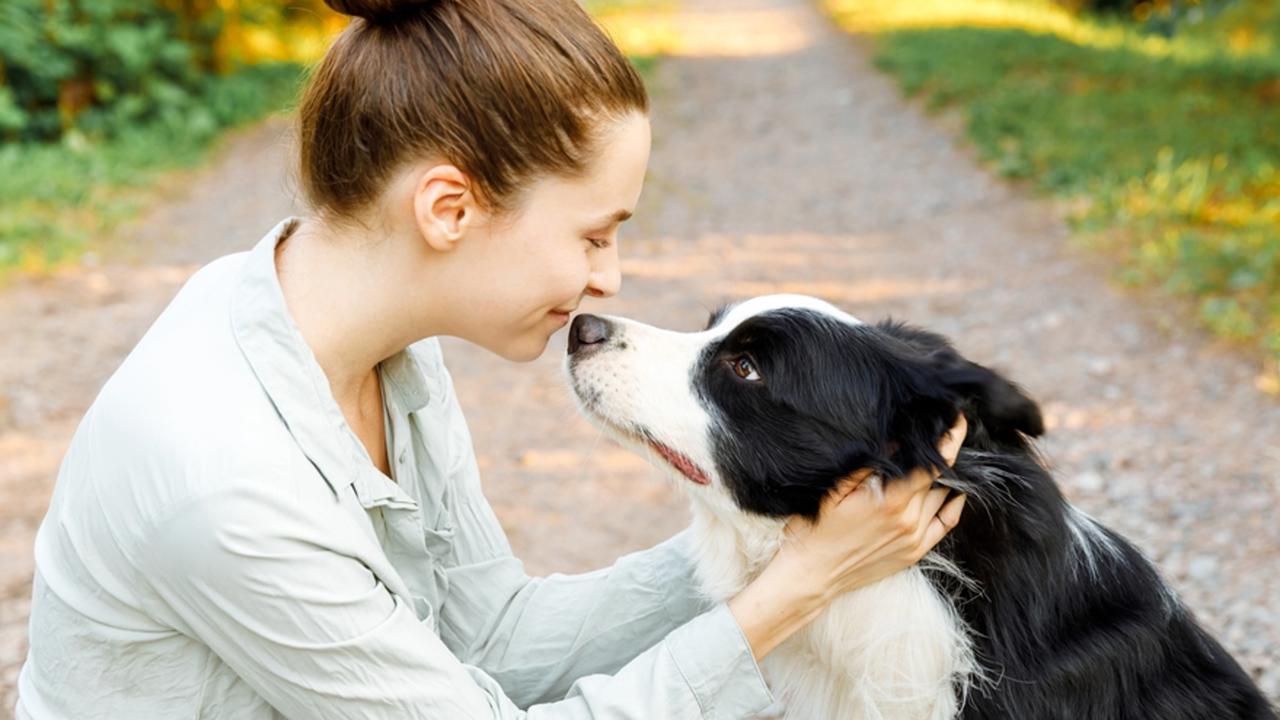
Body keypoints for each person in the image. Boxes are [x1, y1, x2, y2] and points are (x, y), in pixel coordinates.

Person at [14, 0, 968, 717]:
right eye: (595, 235)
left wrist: (789, 534)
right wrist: (794, 592)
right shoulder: (222, 477)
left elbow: (493, 637)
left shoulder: (364, 338)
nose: (611, 279)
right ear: (449, 209)